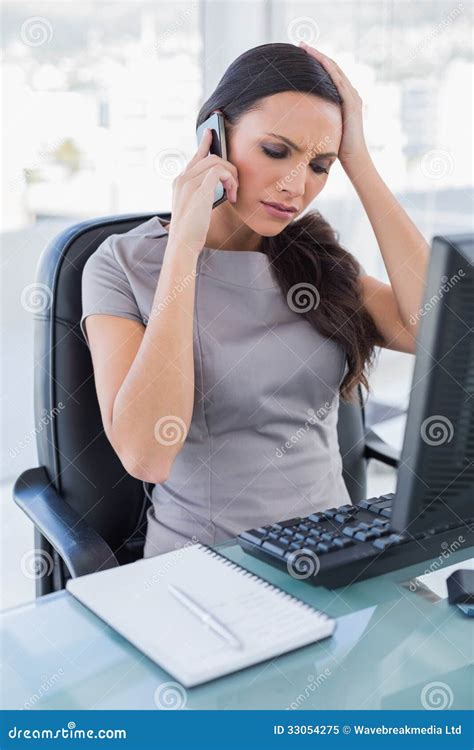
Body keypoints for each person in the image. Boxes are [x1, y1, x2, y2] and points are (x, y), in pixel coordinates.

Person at [80, 42, 428, 558]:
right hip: (206, 565)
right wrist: (184, 248)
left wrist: (359, 162)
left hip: (335, 553)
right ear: (214, 138)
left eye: (320, 165)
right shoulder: (122, 265)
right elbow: (148, 455)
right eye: (276, 151)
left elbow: (439, 330)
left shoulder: (317, 261)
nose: (296, 186)